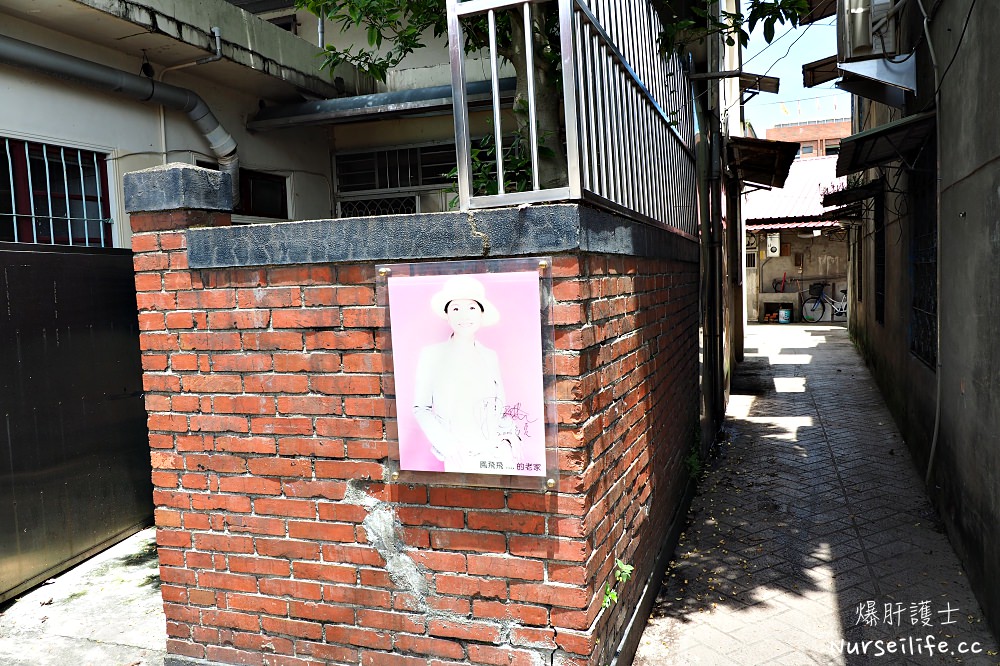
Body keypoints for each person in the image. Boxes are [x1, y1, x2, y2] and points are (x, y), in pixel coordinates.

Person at [412, 275, 520, 474]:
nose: (464, 316)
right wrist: (449, 447)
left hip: (495, 453)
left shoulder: (490, 356)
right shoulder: (432, 355)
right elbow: (421, 408)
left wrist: (507, 442)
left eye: (471, 308)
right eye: (455, 308)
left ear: (481, 313)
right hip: (458, 455)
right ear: (447, 314)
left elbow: (500, 404)